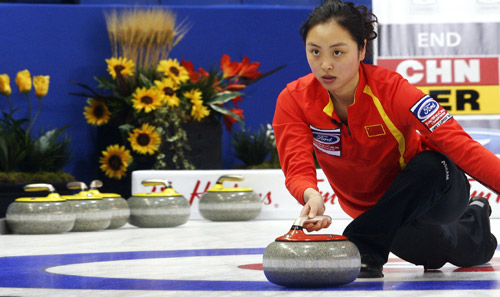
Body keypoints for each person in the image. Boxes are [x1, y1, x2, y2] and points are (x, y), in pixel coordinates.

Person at [272, 0, 497, 278]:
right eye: (314, 52)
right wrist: (311, 194)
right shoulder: (293, 99)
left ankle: (361, 240)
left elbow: (461, 145)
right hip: (375, 211)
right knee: (439, 252)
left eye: (338, 52)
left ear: (362, 49)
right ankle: (477, 220)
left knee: (429, 165)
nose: (325, 65)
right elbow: (296, 165)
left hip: (437, 189)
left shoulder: (394, 91)